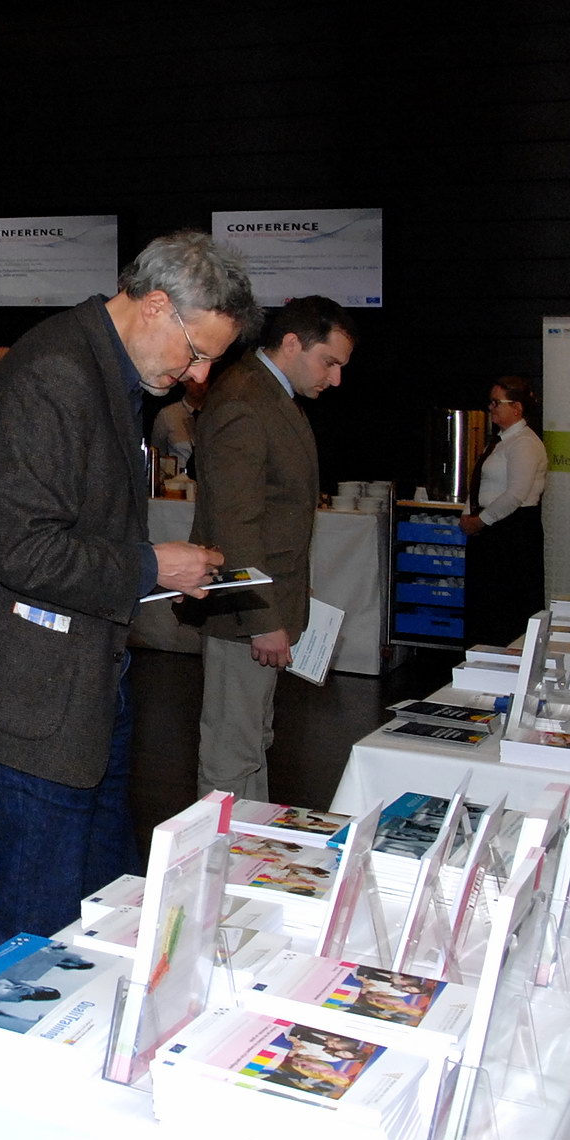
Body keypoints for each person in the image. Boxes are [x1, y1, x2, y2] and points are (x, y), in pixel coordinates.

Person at [0, 230, 256, 957]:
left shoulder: (106, 368)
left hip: (87, 676)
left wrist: (154, 570)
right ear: (156, 305)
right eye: (196, 352)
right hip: (32, 689)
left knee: (106, 910)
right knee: (28, 931)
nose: (200, 375)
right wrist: (151, 567)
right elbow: (24, 550)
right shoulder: (53, 373)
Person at [188, 295, 355, 804]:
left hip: (261, 604)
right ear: (292, 343)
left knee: (252, 741)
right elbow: (234, 523)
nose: (335, 379)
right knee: (232, 750)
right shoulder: (244, 399)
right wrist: (262, 618)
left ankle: (248, 842)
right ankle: (218, 850)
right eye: (329, 362)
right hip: (243, 614)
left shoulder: (268, 394)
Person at [458, 376, 548, 646]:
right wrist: (468, 513)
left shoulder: (525, 443)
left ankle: (506, 661)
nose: (491, 407)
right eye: (491, 402)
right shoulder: (501, 441)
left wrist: (480, 521)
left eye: (497, 402)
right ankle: (480, 657)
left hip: (512, 533)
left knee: (507, 605)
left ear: (517, 408)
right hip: (492, 529)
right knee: (484, 604)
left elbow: (515, 494)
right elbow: (482, 482)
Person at [149, 373, 209, 471]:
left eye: (205, 382)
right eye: (193, 381)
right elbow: (157, 453)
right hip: (178, 476)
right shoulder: (168, 414)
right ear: (185, 382)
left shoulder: (212, 414)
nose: (199, 386)